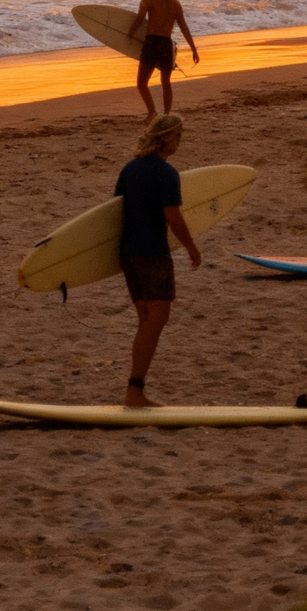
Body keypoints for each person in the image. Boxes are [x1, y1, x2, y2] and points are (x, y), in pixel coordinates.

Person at [115, 113, 203, 408]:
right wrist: (191, 247)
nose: (179, 141)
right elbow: (173, 216)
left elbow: (115, 211)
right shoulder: (167, 174)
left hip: (129, 254)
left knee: (146, 321)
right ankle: (135, 391)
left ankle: (135, 391)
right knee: (156, 321)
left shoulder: (129, 169)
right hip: (153, 253)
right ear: (166, 138)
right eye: (178, 136)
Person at [126, 0, 198, 118]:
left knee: (142, 83)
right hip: (166, 44)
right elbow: (184, 27)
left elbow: (139, 20)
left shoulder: (147, 0)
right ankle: (166, 114)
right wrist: (193, 49)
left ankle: (152, 113)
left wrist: (130, 34)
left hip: (151, 43)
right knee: (166, 82)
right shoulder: (175, 3)